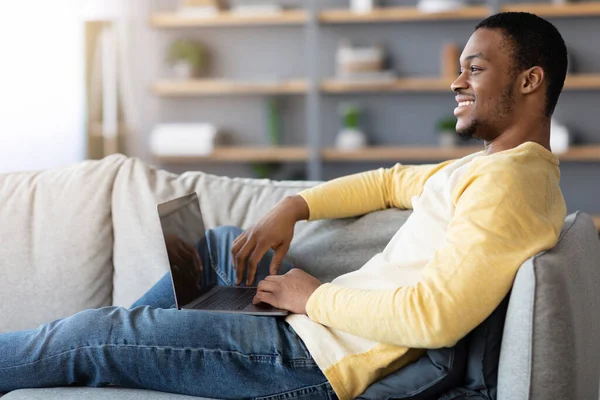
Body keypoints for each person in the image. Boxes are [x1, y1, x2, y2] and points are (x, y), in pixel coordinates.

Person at [0, 11, 568, 400]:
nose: (456, 81)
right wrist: (293, 205)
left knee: (93, 336)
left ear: (529, 81)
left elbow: (435, 319)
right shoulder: (493, 167)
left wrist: (312, 297)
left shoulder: (511, 185)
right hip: (321, 332)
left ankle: (124, 340)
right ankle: (148, 336)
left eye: (475, 67)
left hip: (315, 362)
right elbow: (392, 183)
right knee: (227, 248)